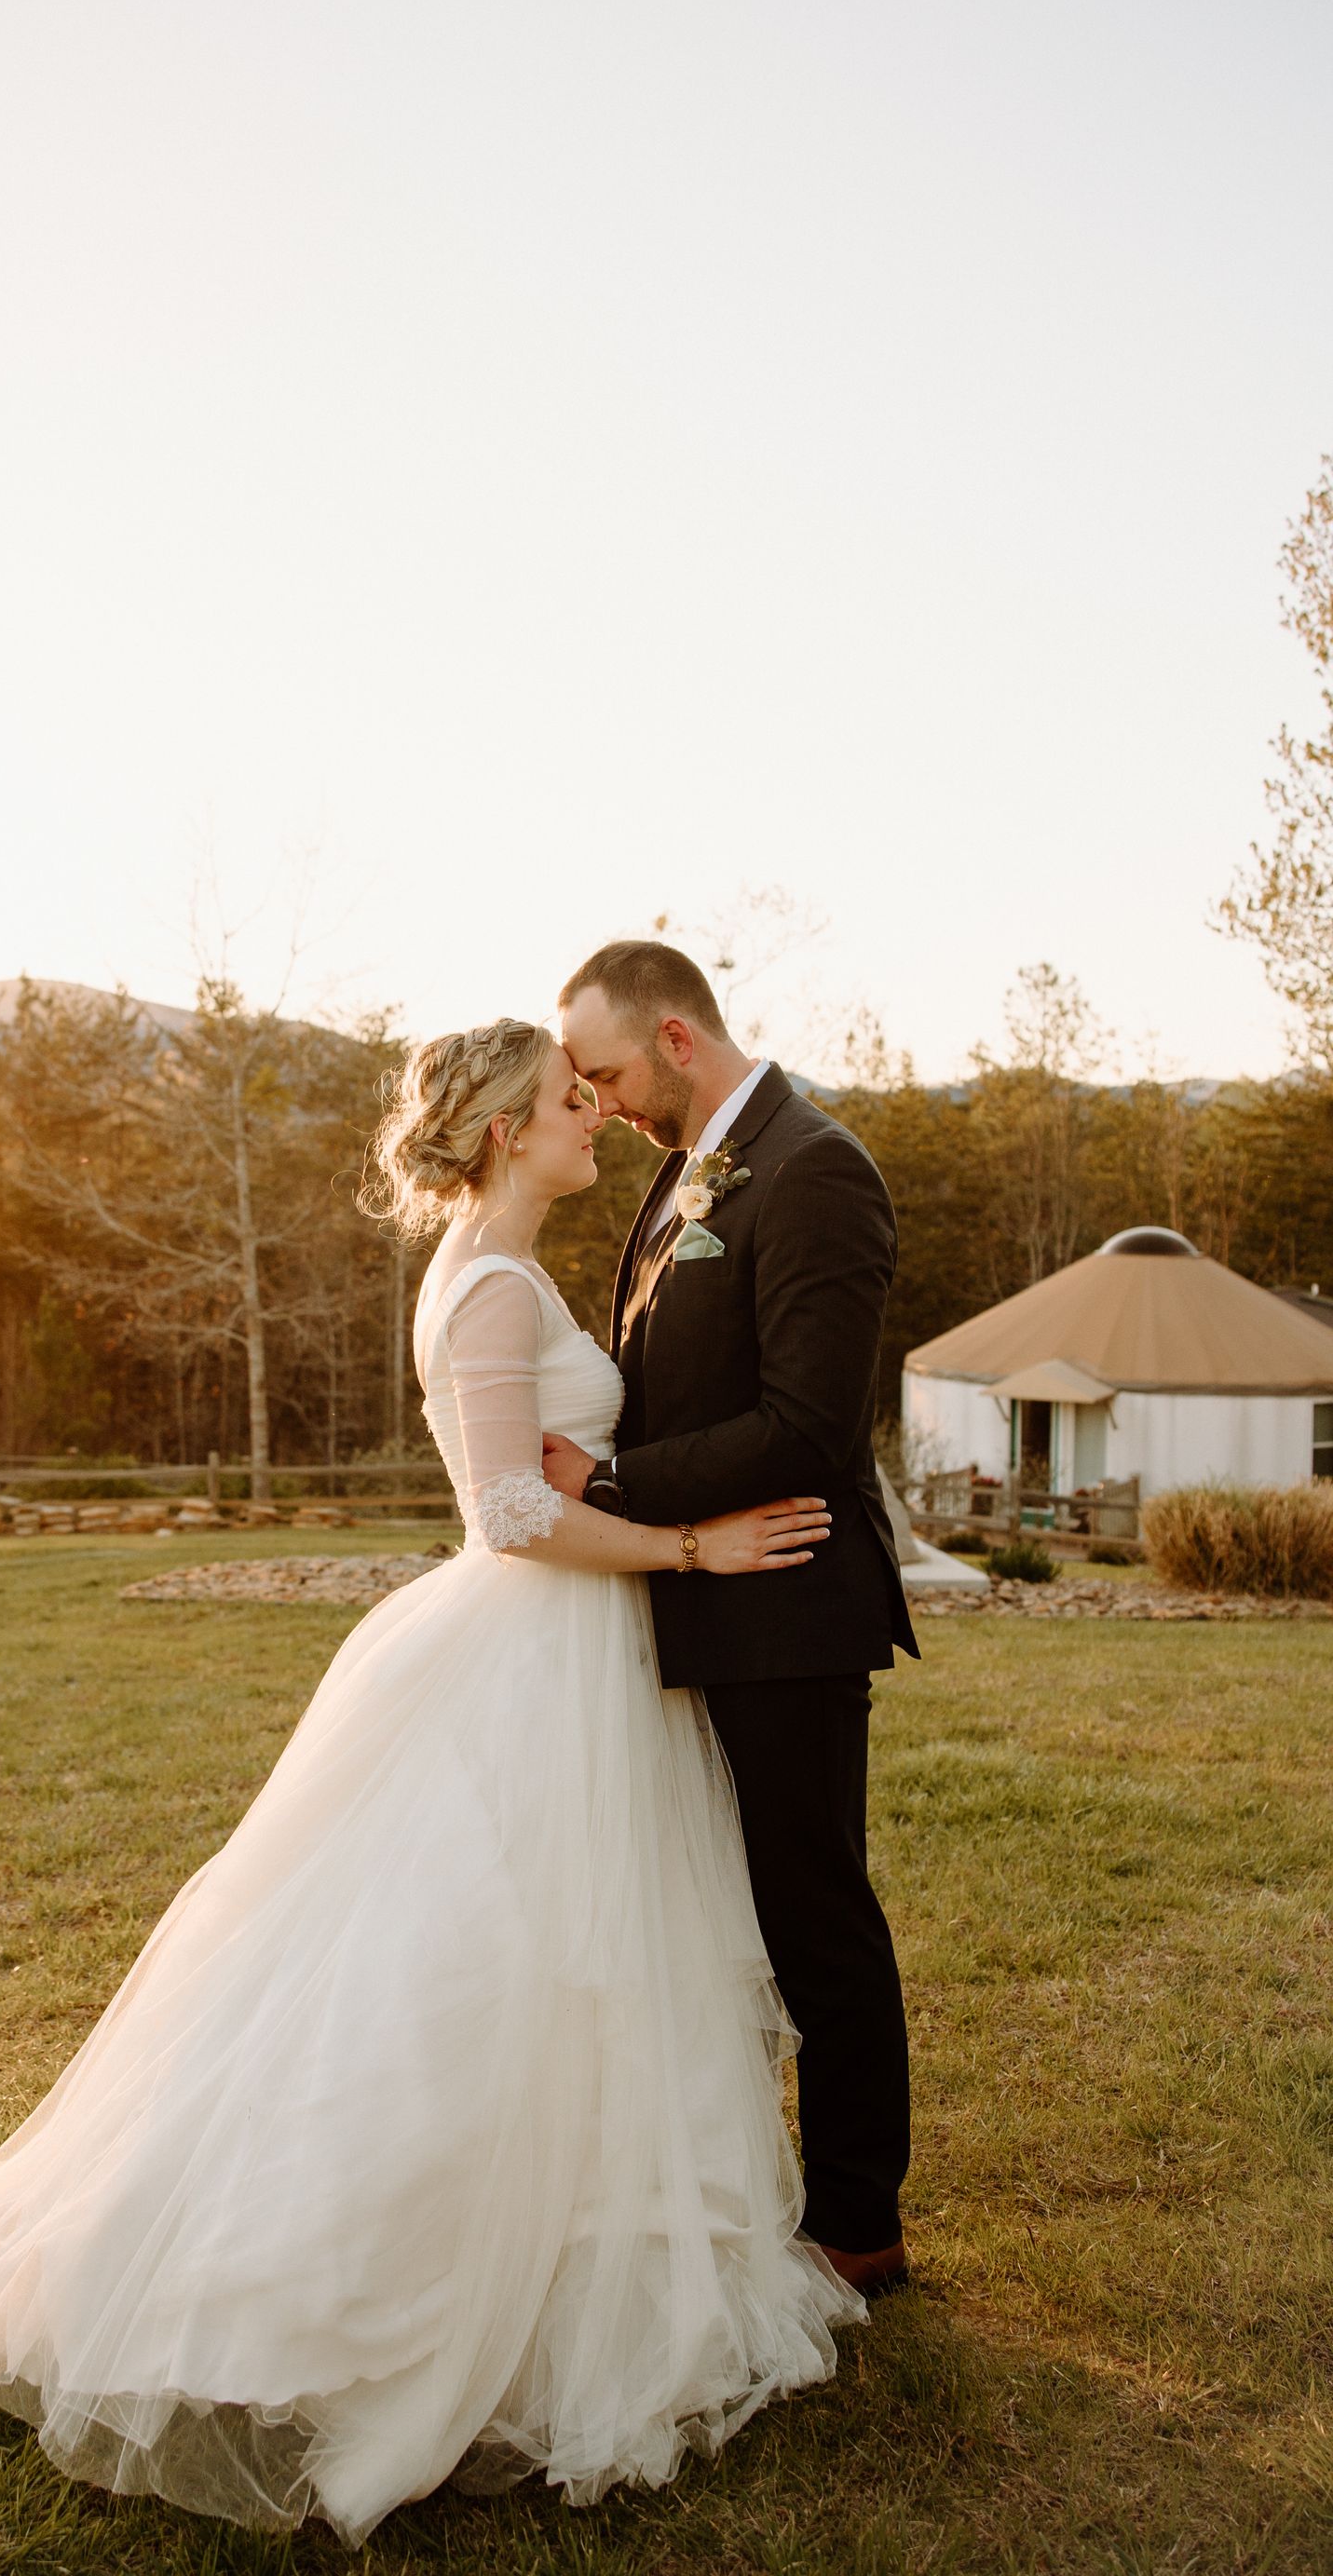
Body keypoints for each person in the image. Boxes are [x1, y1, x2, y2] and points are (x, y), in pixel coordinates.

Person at [0, 1016, 863, 2546]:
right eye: (572, 1102)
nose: (593, 1121)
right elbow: (507, 1511)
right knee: (484, 1973)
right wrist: (691, 1544)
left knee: (548, 1976)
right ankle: (401, 2282)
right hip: (531, 1649)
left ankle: (554, 2241)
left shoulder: (502, 1270)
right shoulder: (493, 1283)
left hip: (564, 1656)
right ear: (507, 1129)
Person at [553, 941, 918, 2296]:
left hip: (787, 1605)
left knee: (813, 1916)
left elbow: (810, 1428)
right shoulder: (685, 1167)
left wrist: (610, 1482)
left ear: (676, 1038)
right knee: (724, 1915)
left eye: (604, 1072)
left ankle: (858, 2226)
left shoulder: (817, 1167)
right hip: (694, 1589)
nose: (596, 1101)